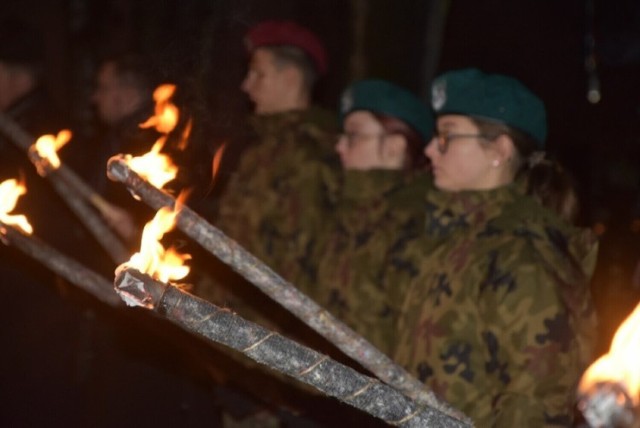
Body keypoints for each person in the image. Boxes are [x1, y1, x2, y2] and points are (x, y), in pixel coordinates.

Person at [386, 68, 598, 426]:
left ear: (499, 150)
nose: (428, 149)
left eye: (446, 136)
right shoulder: (456, 239)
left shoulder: (523, 255)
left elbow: (538, 401)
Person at [205, 20, 339, 308]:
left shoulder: (311, 156)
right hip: (230, 318)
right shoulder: (264, 149)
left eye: (258, 74)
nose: (246, 85)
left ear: (290, 78)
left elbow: (301, 264)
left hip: (264, 331)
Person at [300, 79, 434, 355]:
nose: (339, 146)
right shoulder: (343, 210)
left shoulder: (417, 225)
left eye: (354, 135)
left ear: (394, 147)